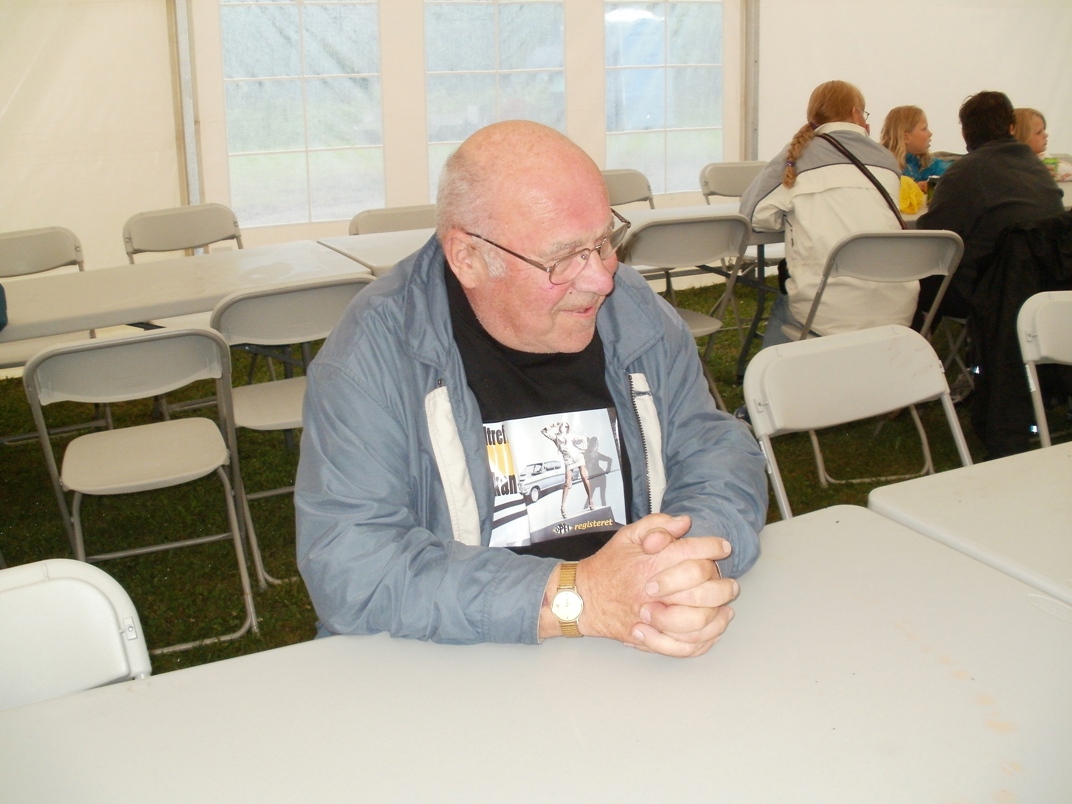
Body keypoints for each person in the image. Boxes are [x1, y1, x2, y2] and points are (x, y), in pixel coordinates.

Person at [295, 120, 767, 658]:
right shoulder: (372, 356)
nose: (602, 279)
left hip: (632, 637)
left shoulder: (635, 315)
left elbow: (716, 451)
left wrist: (680, 563)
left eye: (604, 242)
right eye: (562, 258)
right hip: (456, 654)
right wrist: (576, 596)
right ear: (468, 258)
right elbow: (352, 566)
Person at [740, 80, 914, 347]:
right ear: (856, 113)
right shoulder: (887, 160)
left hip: (826, 311)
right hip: (896, 307)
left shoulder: (797, 155)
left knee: (787, 298)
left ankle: (769, 371)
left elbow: (752, 216)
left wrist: (795, 217)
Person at [915, 91, 1064, 324]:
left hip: (986, 294)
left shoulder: (963, 174)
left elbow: (930, 240)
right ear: (1012, 128)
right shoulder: (1039, 169)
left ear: (965, 133)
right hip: (1045, 290)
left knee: (911, 279)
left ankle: (913, 342)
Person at [880, 105, 950, 193]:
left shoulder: (929, 164)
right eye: (924, 129)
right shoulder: (883, 167)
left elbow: (955, 175)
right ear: (906, 137)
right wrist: (912, 189)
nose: (930, 133)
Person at [1013, 107, 1072, 181]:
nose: (1046, 135)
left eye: (1043, 130)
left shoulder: (1041, 157)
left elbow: (1068, 169)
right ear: (1020, 137)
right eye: (1038, 132)